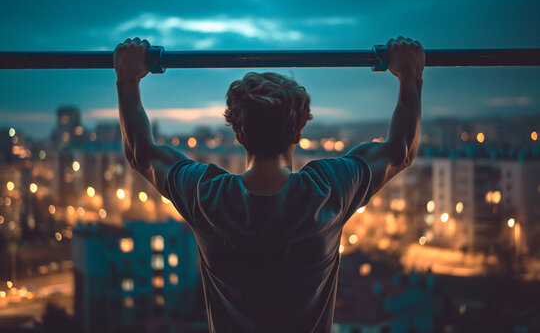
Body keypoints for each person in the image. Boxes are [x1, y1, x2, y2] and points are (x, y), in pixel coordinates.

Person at [113, 36, 424, 333]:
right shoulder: (327, 190)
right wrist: (409, 74)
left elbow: (142, 153)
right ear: (299, 131)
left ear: (238, 133)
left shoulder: (207, 196)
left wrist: (128, 79)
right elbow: (400, 150)